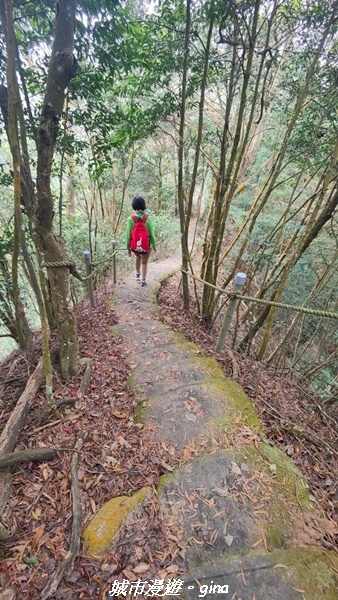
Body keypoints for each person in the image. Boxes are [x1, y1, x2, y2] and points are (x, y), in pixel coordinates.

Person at [126, 196, 156, 286]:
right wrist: (154, 246)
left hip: (135, 245)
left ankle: (137, 273)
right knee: (144, 261)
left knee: (137, 257)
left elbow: (128, 235)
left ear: (133, 206)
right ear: (143, 206)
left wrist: (128, 248)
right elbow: (151, 234)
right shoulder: (148, 218)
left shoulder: (130, 219)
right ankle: (143, 280)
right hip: (146, 245)